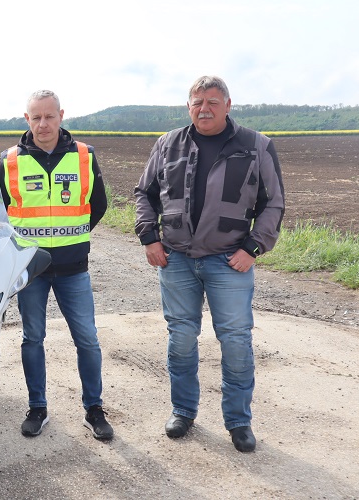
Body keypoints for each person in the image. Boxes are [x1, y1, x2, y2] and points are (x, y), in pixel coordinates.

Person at [134, 75, 285, 453]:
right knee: (181, 338)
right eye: (197, 102)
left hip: (229, 261)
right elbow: (145, 194)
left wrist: (253, 247)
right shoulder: (168, 144)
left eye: (213, 102)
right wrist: (149, 237)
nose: (204, 109)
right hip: (177, 259)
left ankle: (238, 421)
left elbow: (273, 202)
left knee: (235, 342)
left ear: (228, 106)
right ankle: (183, 411)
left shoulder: (255, 145)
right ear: (189, 106)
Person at [0, 90, 113, 440]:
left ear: (61, 115)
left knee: (87, 339)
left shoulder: (84, 156)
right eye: (36, 117)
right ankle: (37, 407)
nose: (43, 124)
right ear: (27, 119)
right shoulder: (10, 161)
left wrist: (72, 239)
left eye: (49, 116)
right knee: (32, 338)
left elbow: (99, 204)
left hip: (74, 269)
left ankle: (94, 409)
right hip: (31, 270)